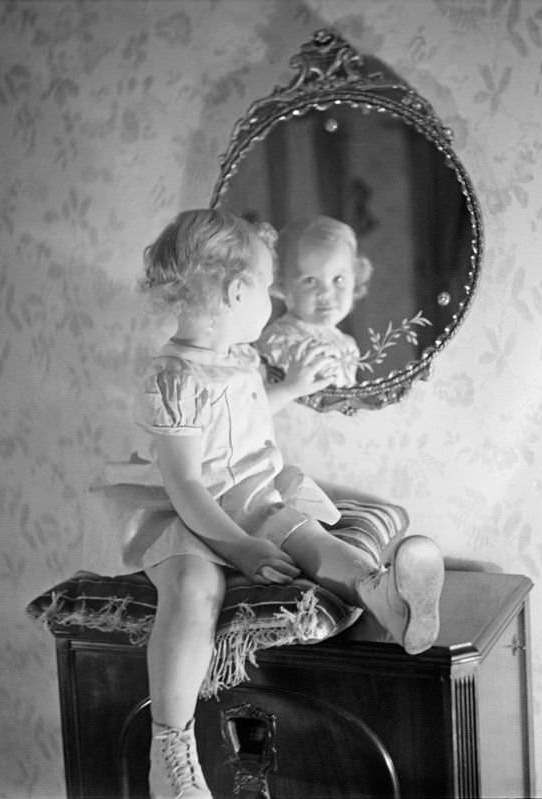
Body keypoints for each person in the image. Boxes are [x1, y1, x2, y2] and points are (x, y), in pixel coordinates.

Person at [107, 208, 444, 799]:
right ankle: (172, 750)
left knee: (313, 540)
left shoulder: (237, 357)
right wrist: (238, 546)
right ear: (238, 292)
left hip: (252, 494)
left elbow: (245, 418)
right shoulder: (172, 377)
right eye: (267, 288)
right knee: (194, 589)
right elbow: (186, 483)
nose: (269, 300)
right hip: (191, 515)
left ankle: (384, 597)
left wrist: (289, 390)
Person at [257, 215, 373, 388]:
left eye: (338, 280)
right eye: (310, 280)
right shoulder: (281, 341)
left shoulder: (346, 344)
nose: (326, 293)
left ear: (355, 278)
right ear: (282, 283)